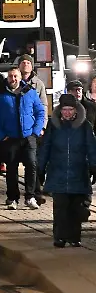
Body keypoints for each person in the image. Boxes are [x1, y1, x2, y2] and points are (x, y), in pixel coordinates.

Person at [38, 94, 96, 248]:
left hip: (79, 173)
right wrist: (40, 168)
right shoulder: (53, 126)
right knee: (60, 208)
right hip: (58, 172)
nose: (67, 112)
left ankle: (74, 237)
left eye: (70, 109)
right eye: (65, 109)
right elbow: (46, 147)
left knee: (76, 208)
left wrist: (94, 166)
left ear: (76, 110)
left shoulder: (85, 126)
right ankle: (60, 237)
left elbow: (91, 148)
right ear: (60, 110)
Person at [0, 67, 46, 210]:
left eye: (15, 76)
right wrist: (0, 135)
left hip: (28, 136)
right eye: (10, 76)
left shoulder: (30, 92)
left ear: (20, 77)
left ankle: (30, 196)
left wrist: (36, 131)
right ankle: (12, 198)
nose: (13, 79)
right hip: (10, 138)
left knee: (32, 165)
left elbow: (40, 111)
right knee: (11, 168)